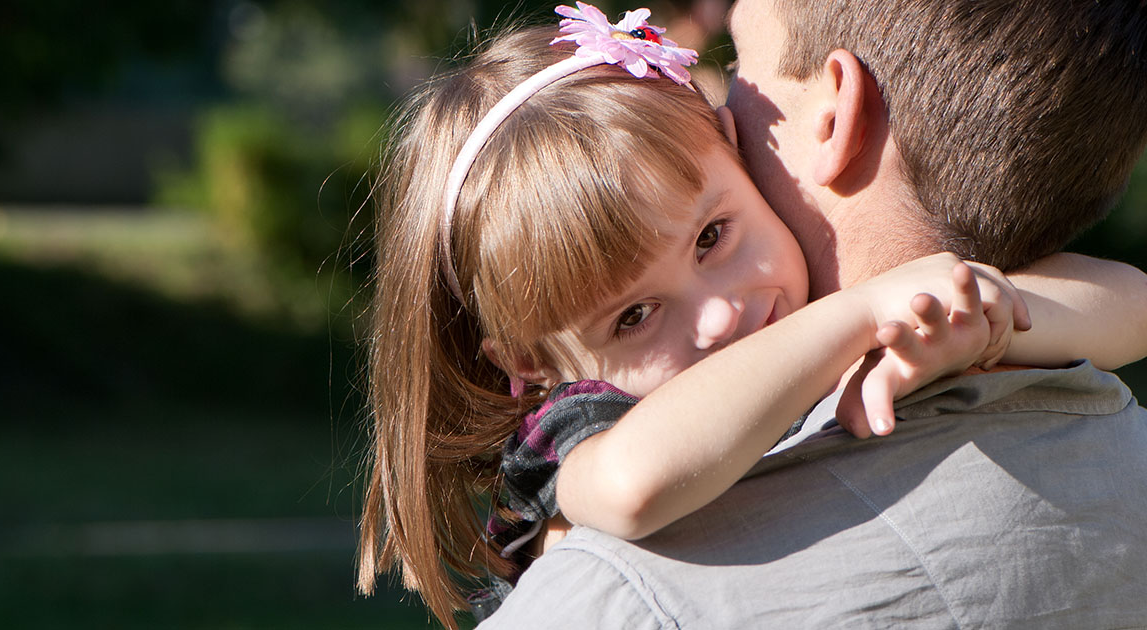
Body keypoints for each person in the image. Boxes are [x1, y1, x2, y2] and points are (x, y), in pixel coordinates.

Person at [356, 3, 1147, 628]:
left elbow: (1133, 302)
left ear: (735, 151)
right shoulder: (588, 425)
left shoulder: (812, 313)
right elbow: (632, 486)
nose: (715, 317)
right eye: (632, 317)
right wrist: (863, 312)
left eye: (712, 236)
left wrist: (984, 315)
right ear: (531, 364)